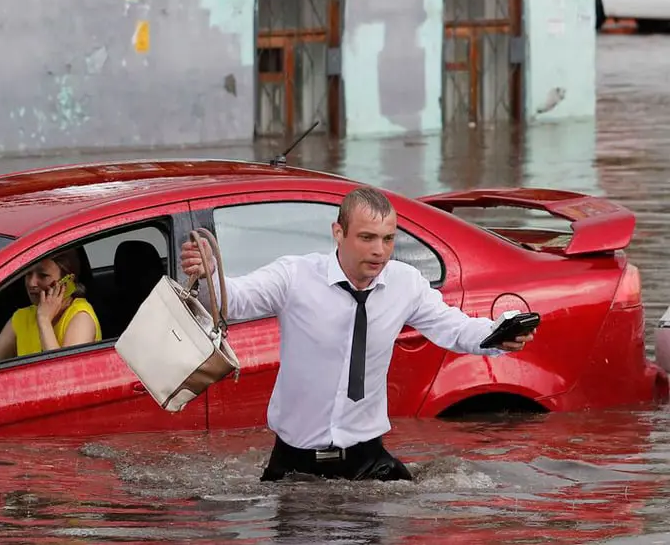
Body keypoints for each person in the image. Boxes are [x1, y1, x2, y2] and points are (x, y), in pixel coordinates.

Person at [180, 185, 535, 482]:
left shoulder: (405, 283)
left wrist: (497, 336)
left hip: (368, 459)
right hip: (294, 463)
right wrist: (210, 272)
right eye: (367, 238)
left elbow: (454, 328)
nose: (379, 250)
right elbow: (234, 302)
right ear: (338, 232)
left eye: (388, 239)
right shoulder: (296, 276)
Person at [0, 251, 102, 361]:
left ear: (67, 282)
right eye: (28, 274)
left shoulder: (81, 317)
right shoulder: (22, 317)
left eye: (43, 276)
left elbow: (63, 373)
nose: (31, 283)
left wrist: (44, 320)